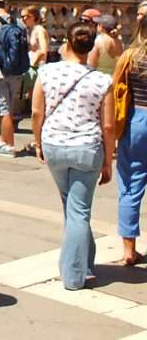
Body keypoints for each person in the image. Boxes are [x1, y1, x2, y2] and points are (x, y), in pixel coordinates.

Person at [32, 22, 114, 289]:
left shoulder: (46, 72)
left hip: (54, 143)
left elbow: (36, 112)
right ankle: (74, 274)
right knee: (79, 210)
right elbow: (109, 125)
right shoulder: (103, 80)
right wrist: (108, 160)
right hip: (87, 147)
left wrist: (37, 143)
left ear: (66, 43)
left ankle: (83, 260)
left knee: (72, 208)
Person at [111, 17, 147, 266]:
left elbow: (116, 89)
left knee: (130, 186)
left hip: (136, 120)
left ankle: (129, 249)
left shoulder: (130, 57)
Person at [0, 0, 29, 156]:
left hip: (0, 71)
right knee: (11, 105)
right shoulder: (20, 23)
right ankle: (3, 139)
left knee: (4, 109)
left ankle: (9, 145)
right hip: (17, 70)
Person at [20, 5, 50, 120]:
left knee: (36, 98)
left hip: (37, 66)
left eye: (25, 16)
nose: (23, 19)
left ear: (33, 17)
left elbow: (43, 50)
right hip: (32, 66)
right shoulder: (31, 30)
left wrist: (33, 64)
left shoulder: (39, 30)